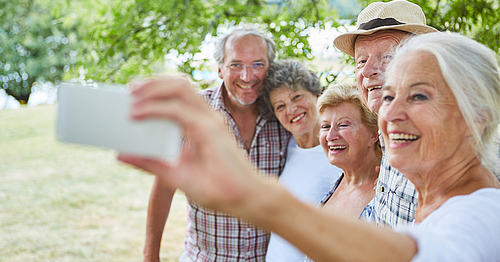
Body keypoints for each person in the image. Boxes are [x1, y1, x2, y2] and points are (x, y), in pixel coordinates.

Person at [119, 32, 500, 261]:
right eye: (388, 95)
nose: (391, 112)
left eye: (419, 96)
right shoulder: (419, 193)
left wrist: (254, 197)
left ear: (476, 117)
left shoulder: (484, 211)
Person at [142, 26, 291, 262]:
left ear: (270, 67)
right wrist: (150, 256)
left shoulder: (285, 113)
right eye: (236, 65)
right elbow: (164, 185)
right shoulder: (193, 112)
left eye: (258, 64)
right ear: (220, 69)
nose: (247, 76)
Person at [333, 0, 438, 228]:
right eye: (361, 60)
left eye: (387, 56)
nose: (368, 71)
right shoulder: (387, 132)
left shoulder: (448, 142)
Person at [260, 60, 342, 262]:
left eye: (296, 96)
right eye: (280, 106)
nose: (291, 110)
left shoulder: (339, 153)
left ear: (317, 95)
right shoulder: (286, 147)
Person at [316, 83, 380, 222]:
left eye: (343, 125)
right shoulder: (339, 180)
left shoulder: (387, 192)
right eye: (325, 126)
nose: (330, 136)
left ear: (374, 135)